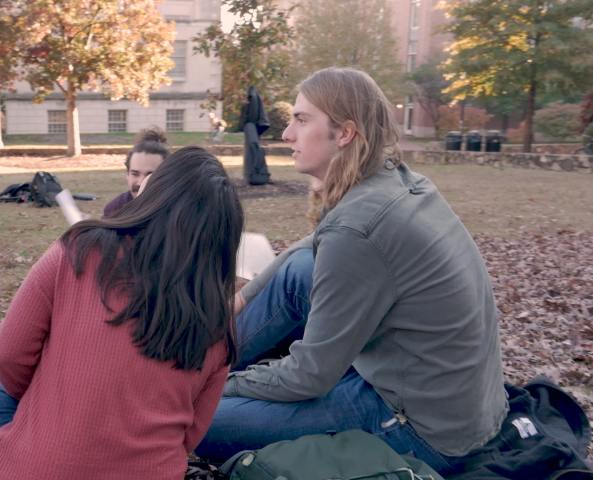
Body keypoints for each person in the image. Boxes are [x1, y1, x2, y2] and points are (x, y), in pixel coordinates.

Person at [194, 68, 508, 476]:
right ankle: (194, 360)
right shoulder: (394, 182)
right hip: (455, 400)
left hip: (421, 428)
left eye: (302, 120)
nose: (287, 134)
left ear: (344, 134)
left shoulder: (357, 229)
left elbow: (308, 377)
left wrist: (217, 386)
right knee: (300, 270)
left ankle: (190, 380)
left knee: (192, 421)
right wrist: (242, 297)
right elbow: (308, 248)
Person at [0, 147, 244, 480]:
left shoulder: (82, 248)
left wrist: (58, 403)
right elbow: (189, 435)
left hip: (27, 467)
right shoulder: (219, 315)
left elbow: (7, 359)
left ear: (154, 195)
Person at [102, 126, 170, 218]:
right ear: (127, 175)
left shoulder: (177, 211)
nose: (141, 183)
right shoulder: (115, 209)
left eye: (150, 175)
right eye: (135, 174)